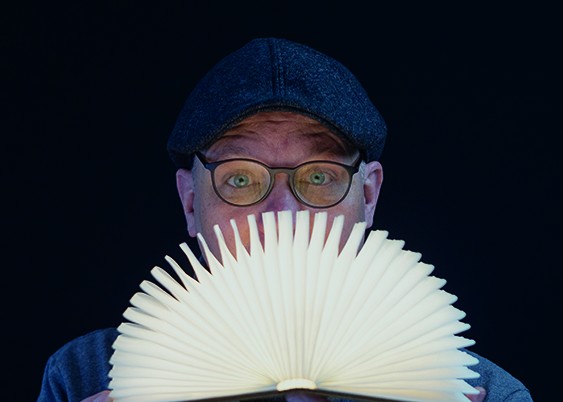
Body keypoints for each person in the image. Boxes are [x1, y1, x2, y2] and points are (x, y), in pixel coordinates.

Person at [37, 37, 532, 402]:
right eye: (240, 179)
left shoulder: (472, 388)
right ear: (190, 201)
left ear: (368, 194)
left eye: (319, 177)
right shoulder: (86, 375)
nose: (283, 214)